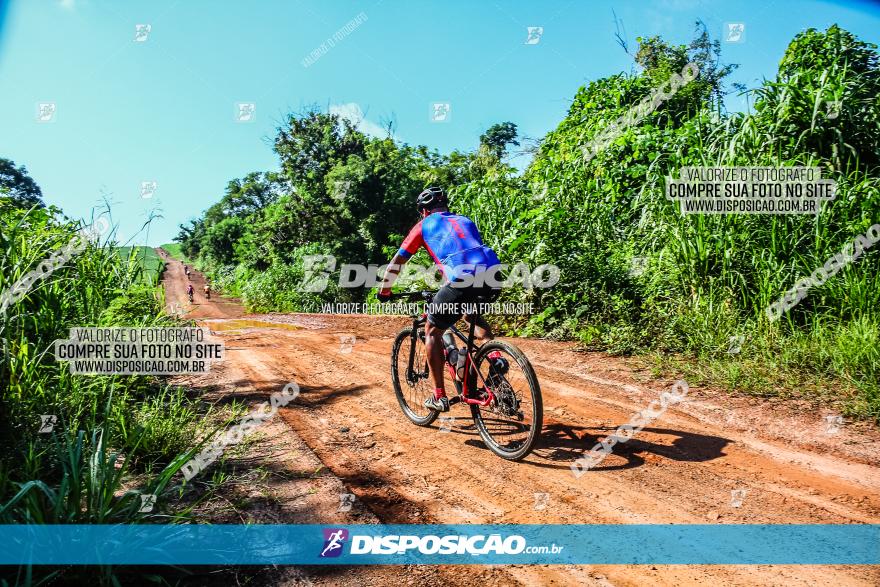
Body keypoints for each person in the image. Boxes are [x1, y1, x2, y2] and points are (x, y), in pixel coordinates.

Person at [378, 187, 504, 412]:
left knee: (432, 330)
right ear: (445, 206)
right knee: (469, 314)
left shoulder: (423, 226)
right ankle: (495, 357)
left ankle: (439, 397)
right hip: (493, 274)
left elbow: (398, 261)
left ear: (424, 211)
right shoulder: (464, 220)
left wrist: (385, 290)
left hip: (461, 278)